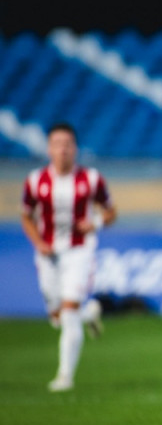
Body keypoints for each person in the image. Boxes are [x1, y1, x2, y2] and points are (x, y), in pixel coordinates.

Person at [21, 122, 116, 392]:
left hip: (79, 251)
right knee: (57, 316)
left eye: (67, 144)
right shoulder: (36, 181)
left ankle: (65, 376)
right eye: (57, 144)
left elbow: (111, 212)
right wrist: (38, 242)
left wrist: (95, 222)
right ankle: (91, 314)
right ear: (49, 148)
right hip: (49, 255)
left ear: (75, 148)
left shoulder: (91, 179)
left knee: (69, 310)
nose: (63, 150)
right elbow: (26, 216)